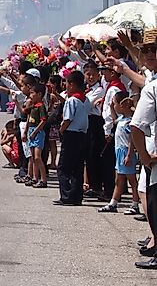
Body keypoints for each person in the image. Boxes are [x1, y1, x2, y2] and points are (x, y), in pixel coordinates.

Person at [130, 29, 157, 269]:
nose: (148, 54)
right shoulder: (152, 82)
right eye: (145, 50)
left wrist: (146, 158)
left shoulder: (152, 88)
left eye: (153, 50)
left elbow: (136, 127)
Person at [98, 91, 141, 214]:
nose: (114, 106)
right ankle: (113, 203)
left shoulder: (130, 122)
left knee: (132, 180)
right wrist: (111, 107)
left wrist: (129, 154)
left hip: (126, 152)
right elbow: (115, 119)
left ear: (122, 105)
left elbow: (132, 139)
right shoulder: (122, 119)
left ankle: (135, 204)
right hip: (119, 151)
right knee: (119, 179)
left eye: (115, 103)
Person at [54, 70, 90, 206]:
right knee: (77, 167)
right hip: (82, 134)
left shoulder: (72, 100)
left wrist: (61, 130)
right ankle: (76, 196)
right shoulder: (85, 100)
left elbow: (68, 119)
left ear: (73, 85)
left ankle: (66, 195)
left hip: (71, 134)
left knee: (63, 167)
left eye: (67, 83)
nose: (66, 86)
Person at [83, 61, 111, 201]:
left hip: (95, 122)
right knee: (89, 155)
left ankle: (97, 186)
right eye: (88, 74)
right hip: (88, 122)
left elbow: (87, 106)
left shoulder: (99, 90)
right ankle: (93, 185)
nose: (90, 77)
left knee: (95, 154)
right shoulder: (86, 89)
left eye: (93, 74)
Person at [26, 83, 49, 188]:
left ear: (39, 94)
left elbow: (43, 120)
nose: (30, 95)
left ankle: (43, 179)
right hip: (31, 131)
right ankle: (35, 177)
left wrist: (35, 132)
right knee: (32, 157)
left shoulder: (41, 106)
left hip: (37, 132)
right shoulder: (33, 106)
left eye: (32, 93)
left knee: (37, 157)